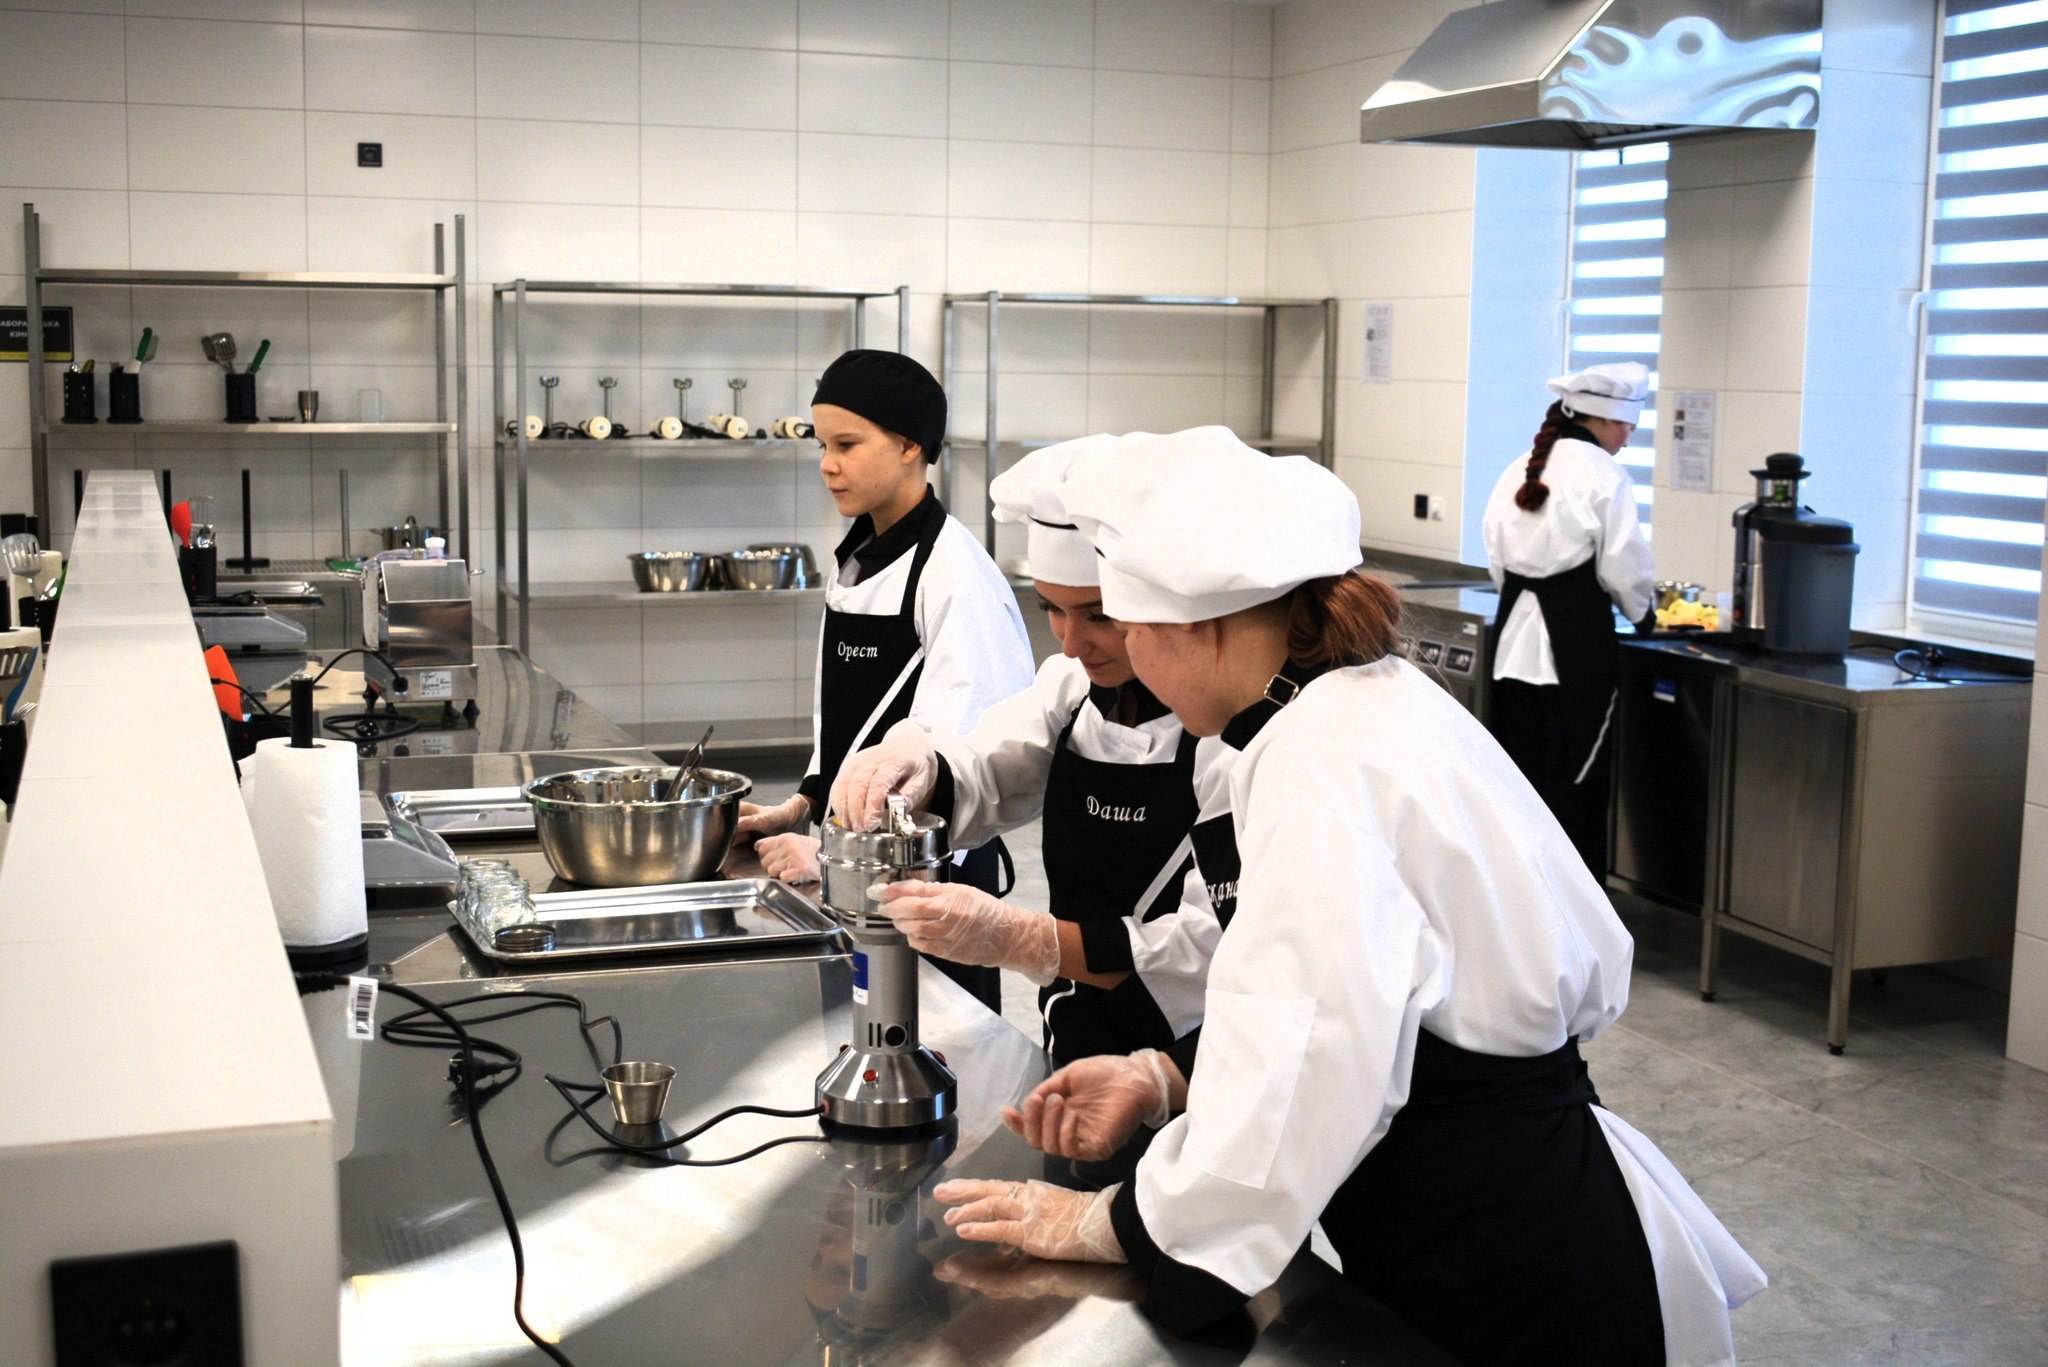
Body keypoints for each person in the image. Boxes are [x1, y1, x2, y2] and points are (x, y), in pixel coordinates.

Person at [931, 429, 1765, 1366]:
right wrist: (1167, 1076)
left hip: (1505, 1268)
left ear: (1196, 627)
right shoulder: (1355, 703)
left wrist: (1119, 1223)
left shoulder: (1319, 766)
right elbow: (1363, 1011)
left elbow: (1307, 1065)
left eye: (1124, 627)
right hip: (1483, 1210)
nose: (1114, 654)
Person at [830, 434, 1236, 1091]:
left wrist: (1026, 940)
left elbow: (1207, 950)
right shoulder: (1071, 691)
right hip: (1076, 1032)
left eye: (1099, 617)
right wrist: (922, 767)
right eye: (1052, 609)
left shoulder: (1230, 735)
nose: (1072, 644)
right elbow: (987, 767)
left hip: (1198, 1064)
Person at [738, 349, 1033, 1012]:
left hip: (928, 879)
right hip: (854, 865)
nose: (827, 464)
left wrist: (832, 853)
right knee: (860, 1029)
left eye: (846, 444)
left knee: (939, 1039)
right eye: (821, 445)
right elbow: (848, 720)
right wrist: (806, 804)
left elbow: (949, 767)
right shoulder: (857, 558)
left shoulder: (953, 574)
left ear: (908, 446)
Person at [1481, 362, 1656, 876]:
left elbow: (1496, 558)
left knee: (1520, 783)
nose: (1628, 436)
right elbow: (1624, 568)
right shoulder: (1604, 475)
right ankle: (1577, 905)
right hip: (1575, 650)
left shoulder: (1519, 467)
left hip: (1511, 648)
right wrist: (1644, 616)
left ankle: (1520, 898)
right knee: (1576, 784)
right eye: (1626, 425)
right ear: (1602, 420)